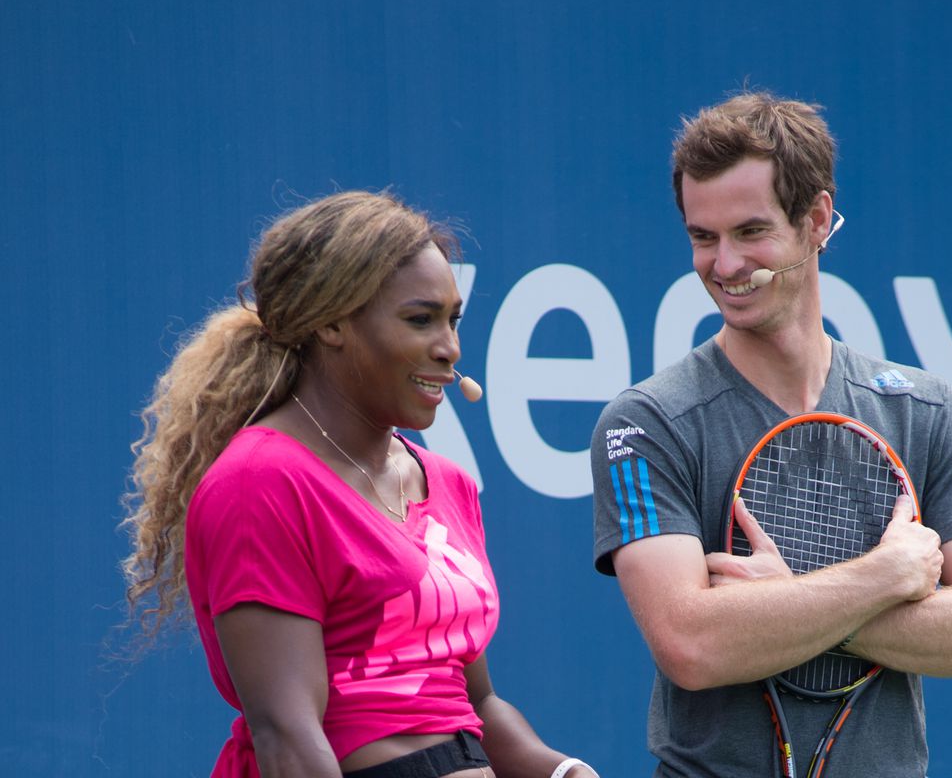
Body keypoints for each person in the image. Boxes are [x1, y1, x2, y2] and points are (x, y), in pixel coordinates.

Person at [590, 93, 952, 776]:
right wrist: (885, 577)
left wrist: (786, 599)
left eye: (751, 232)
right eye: (703, 237)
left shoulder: (927, 410)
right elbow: (691, 645)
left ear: (818, 220)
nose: (725, 265)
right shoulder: (645, 423)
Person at [123, 191, 598, 778]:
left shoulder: (447, 482)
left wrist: (564, 771)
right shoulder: (261, 483)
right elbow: (288, 738)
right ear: (331, 323)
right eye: (420, 320)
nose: (449, 348)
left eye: (453, 320)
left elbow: (474, 703)